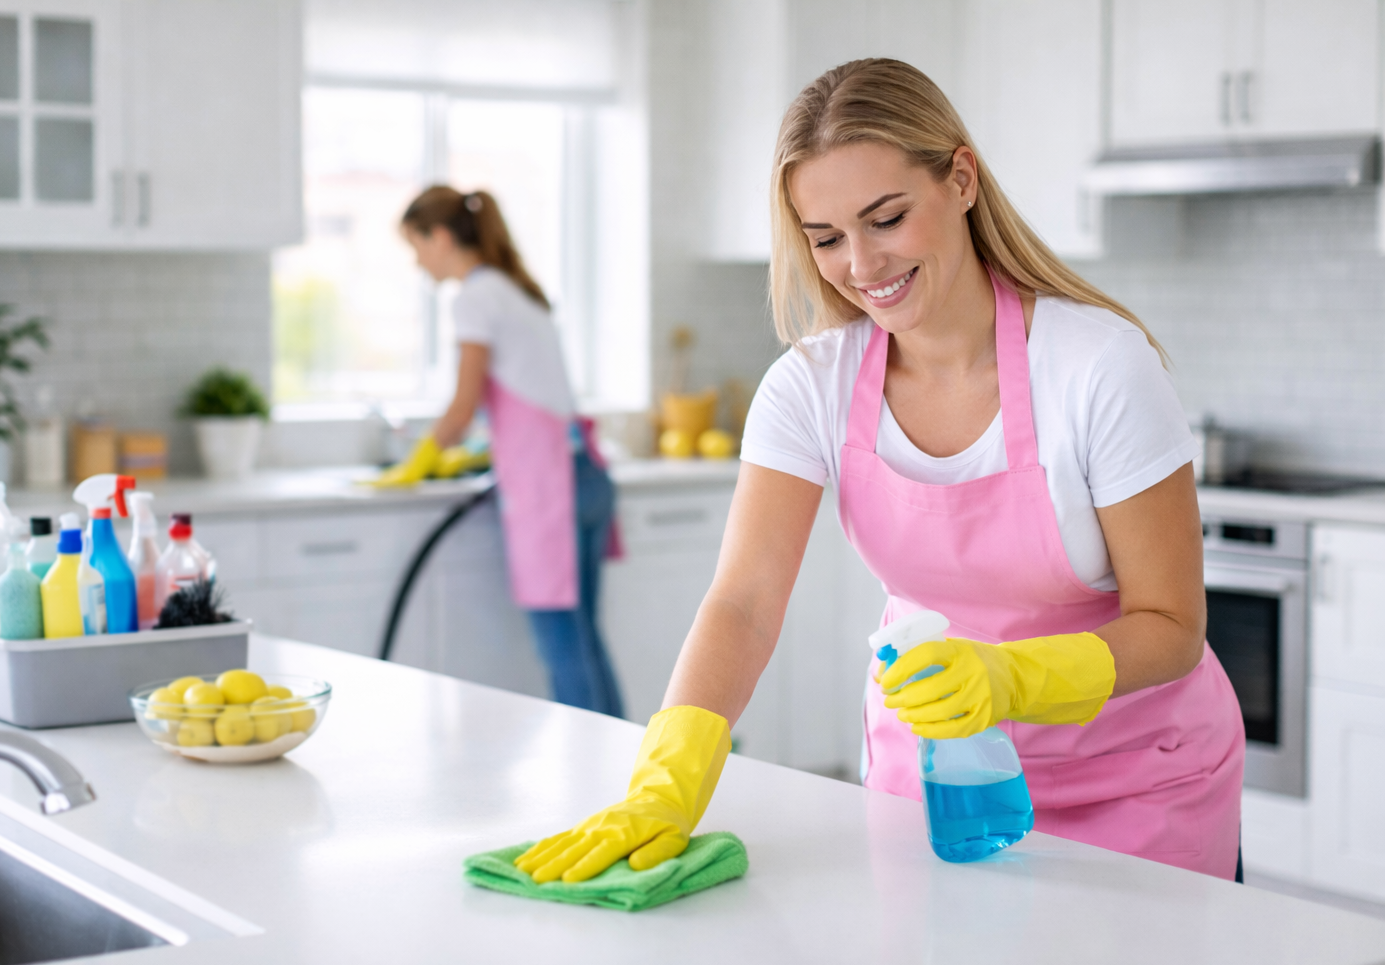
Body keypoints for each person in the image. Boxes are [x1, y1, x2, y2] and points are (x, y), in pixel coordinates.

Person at [513, 58, 1244, 886]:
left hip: (1139, 787)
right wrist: (666, 783)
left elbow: (1172, 624)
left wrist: (1010, 676)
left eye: (885, 219)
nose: (860, 265)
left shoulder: (1096, 366)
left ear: (961, 179)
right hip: (932, 788)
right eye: (825, 238)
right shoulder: (810, 385)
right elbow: (744, 603)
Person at [382, 185, 624, 718]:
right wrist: (465, 454)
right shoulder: (514, 290)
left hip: (550, 489)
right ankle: (629, 774)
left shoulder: (474, 296)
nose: (418, 263)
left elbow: (463, 404)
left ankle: (592, 782)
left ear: (440, 237)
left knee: (561, 644)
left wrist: (416, 463)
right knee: (584, 637)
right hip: (584, 473)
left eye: (416, 246)